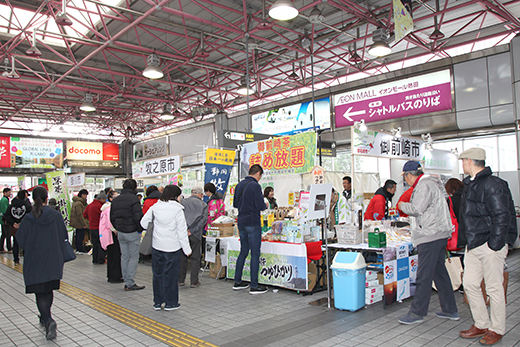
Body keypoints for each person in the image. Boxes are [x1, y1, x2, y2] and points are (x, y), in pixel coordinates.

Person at [457, 148, 517, 345]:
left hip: (489, 244)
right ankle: (481, 323)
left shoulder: (493, 184)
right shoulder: (471, 184)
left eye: (463, 160)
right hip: (473, 244)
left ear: (469, 161)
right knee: (470, 284)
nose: (462, 164)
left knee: (494, 288)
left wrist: (496, 244)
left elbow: (502, 215)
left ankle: (496, 328)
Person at [397, 160, 458, 324]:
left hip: (430, 235)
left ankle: (417, 312)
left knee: (423, 275)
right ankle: (450, 309)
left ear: (410, 175)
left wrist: (402, 205)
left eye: (405, 177)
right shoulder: (432, 183)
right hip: (438, 234)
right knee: (440, 274)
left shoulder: (424, 185)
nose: (406, 181)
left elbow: (417, 209)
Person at [15, 187, 68, 340]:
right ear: (46, 198)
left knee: (40, 292)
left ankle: (47, 319)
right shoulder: (56, 216)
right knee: (48, 289)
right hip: (52, 259)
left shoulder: (28, 217)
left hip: (34, 260)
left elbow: (21, 240)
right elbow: (63, 235)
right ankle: (46, 317)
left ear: (32, 199)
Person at [140, 185, 191, 310]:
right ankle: (171, 303)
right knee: (171, 275)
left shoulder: (155, 207)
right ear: (175, 196)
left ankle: (158, 302)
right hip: (173, 247)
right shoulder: (178, 210)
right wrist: (187, 249)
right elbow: (182, 231)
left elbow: (143, 223)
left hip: (157, 246)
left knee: (157, 274)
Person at [232, 164, 268, 294]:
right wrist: (265, 204)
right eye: (260, 176)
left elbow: (235, 204)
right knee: (255, 253)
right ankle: (254, 285)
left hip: (241, 222)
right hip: (253, 222)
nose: (260, 179)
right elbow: (260, 205)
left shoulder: (239, 185)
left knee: (243, 251)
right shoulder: (255, 186)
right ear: (258, 173)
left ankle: (237, 281)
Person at [110, 179, 145, 291]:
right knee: (133, 257)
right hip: (132, 231)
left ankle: (126, 279)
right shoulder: (133, 199)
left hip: (121, 232)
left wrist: (118, 227)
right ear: (134, 188)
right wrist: (139, 229)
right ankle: (130, 282)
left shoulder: (116, 200)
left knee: (124, 256)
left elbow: (112, 217)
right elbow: (138, 216)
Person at [180, 187, 207, 288]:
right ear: (200, 194)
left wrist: (185, 229)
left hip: (183, 233)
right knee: (195, 258)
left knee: (182, 257)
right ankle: (194, 281)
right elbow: (203, 220)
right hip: (195, 234)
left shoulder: (183, 202)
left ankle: (181, 280)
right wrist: (192, 230)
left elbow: (180, 217)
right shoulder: (203, 205)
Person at [100, 190, 123, 283]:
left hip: (108, 234)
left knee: (112, 256)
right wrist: (115, 230)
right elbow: (109, 222)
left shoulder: (106, 208)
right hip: (111, 234)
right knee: (114, 256)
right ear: (110, 198)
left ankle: (112, 276)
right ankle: (115, 277)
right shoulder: (110, 208)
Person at [4, 190, 32, 264]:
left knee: (15, 243)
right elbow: (30, 215)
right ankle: (27, 259)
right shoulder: (27, 205)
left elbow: (6, 216)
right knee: (26, 243)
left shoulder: (11, 205)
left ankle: (16, 259)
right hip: (24, 226)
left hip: (14, 227)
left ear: (17, 196)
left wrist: (13, 223)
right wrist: (21, 223)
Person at [84, 191, 107, 265]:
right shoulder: (101, 207)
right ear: (101, 199)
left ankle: (95, 260)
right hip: (100, 228)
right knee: (101, 244)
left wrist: (90, 219)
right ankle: (101, 260)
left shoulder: (90, 205)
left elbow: (84, 214)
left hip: (91, 227)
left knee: (95, 244)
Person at [70, 189, 88, 254]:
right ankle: (80, 249)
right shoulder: (79, 203)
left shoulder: (76, 202)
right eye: (85, 195)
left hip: (76, 222)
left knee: (78, 235)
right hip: (79, 223)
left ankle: (79, 248)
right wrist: (84, 224)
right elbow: (80, 214)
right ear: (82, 195)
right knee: (80, 236)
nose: (86, 197)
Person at [0, 187, 12, 253]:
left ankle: (1, 248)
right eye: (9, 192)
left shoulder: (4, 199)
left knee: (4, 234)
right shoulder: (4, 200)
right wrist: (7, 219)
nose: (10, 194)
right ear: (5, 193)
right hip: (4, 219)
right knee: (8, 234)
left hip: (2, 219)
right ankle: (9, 248)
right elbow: (5, 211)